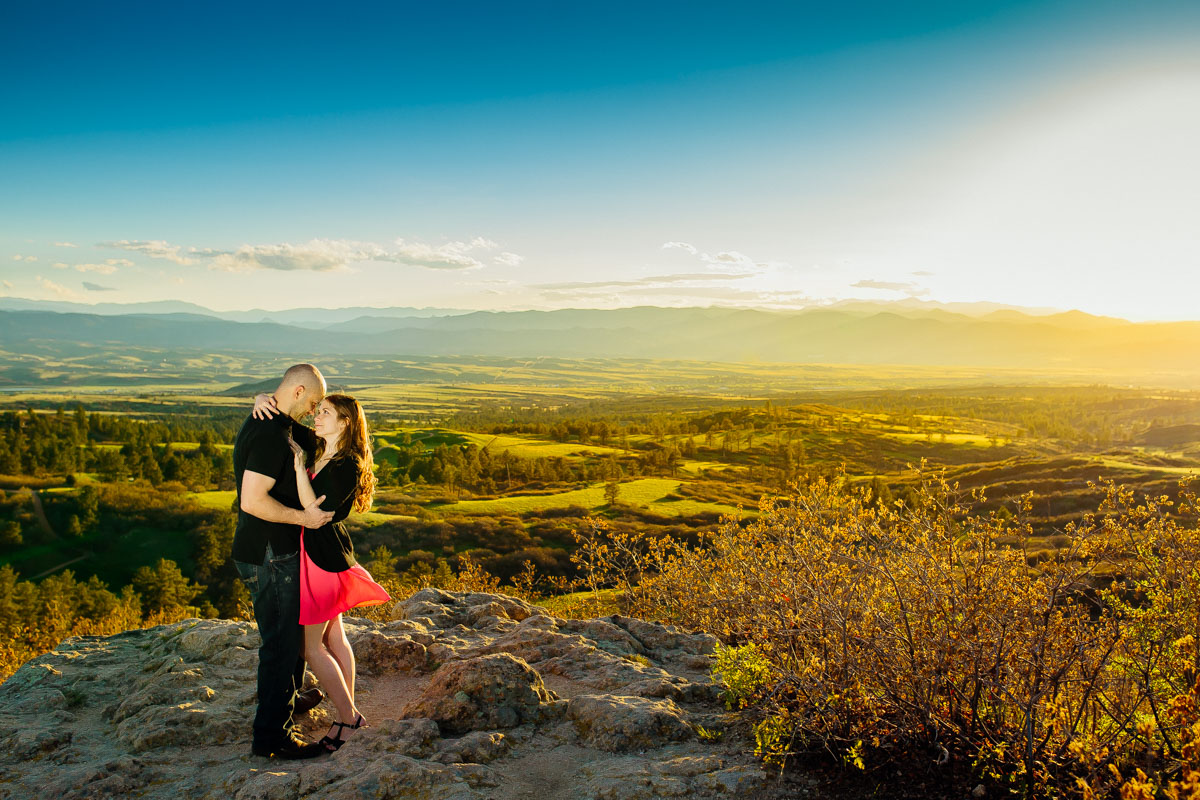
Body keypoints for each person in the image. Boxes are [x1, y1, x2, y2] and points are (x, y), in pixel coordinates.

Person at [255, 391, 390, 752]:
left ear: (345, 422)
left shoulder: (348, 464)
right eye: (318, 410)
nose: (317, 416)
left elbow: (312, 508)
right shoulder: (322, 447)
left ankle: (349, 718)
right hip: (324, 555)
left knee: (308, 647)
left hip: (321, 561)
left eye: (325, 412)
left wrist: (300, 469)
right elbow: (285, 421)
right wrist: (261, 398)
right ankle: (347, 709)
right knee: (334, 638)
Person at [232, 364, 335, 760]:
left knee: (288, 640)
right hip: (268, 555)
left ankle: (286, 701)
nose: (313, 411)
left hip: (270, 551)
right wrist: (303, 519)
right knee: (281, 644)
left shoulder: (274, 419)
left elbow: (320, 436)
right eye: (311, 402)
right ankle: (270, 737)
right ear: (296, 392)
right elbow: (252, 501)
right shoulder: (271, 434)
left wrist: (262, 398)